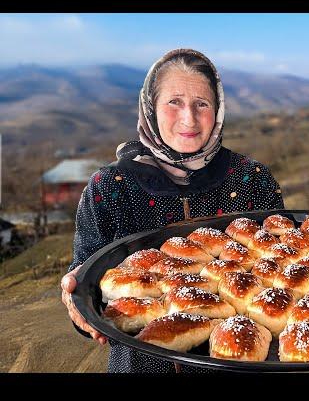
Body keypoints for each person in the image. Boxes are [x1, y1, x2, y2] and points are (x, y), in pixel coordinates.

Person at [60, 48, 284, 373]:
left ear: (218, 109)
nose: (189, 119)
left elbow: (282, 272)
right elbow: (90, 281)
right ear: (151, 108)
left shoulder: (252, 179)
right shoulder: (110, 187)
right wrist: (76, 301)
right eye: (174, 102)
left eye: (202, 104)